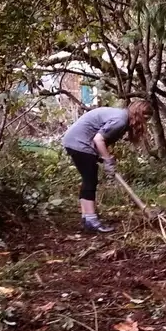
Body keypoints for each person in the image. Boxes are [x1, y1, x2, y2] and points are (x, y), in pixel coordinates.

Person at [61, 100, 150, 233]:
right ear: (139, 113)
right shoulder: (120, 120)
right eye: (146, 118)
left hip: (75, 141)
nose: (145, 122)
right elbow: (98, 139)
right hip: (80, 143)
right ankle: (91, 221)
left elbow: (99, 139)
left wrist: (104, 156)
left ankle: (87, 218)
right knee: (90, 180)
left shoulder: (122, 117)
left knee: (89, 179)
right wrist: (107, 160)